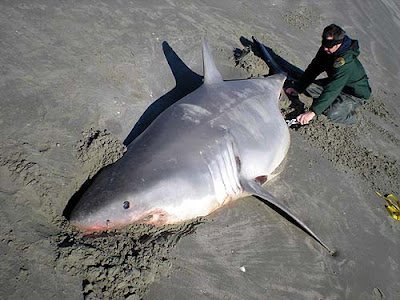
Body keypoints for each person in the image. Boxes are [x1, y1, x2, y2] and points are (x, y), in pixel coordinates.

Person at [285, 24, 371, 125]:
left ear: (338, 44)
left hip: (352, 94)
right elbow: (314, 68)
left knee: (332, 113)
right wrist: (298, 88)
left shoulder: (345, 61)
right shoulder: (326, 50)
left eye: (329, 46)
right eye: (324, 44)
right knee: (308, 88)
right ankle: (328, 102)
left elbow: (334, 88)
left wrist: (312, 112)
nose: (325, 48)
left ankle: (353, 117)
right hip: (335, 83)